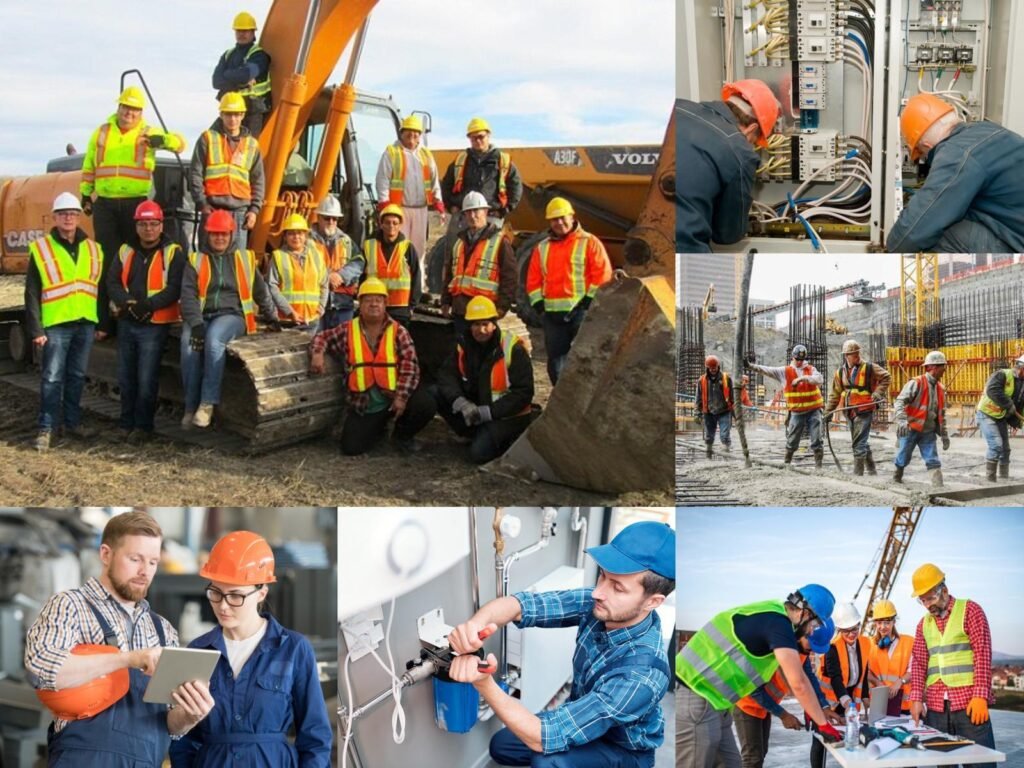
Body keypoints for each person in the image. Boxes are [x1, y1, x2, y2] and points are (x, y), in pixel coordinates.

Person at [448, 521, 675, 767]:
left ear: (653, 602)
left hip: (623, 750)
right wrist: (475, 625)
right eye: (602, 576)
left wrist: (483, 683)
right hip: (585, 716)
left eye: (617, 587)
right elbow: (521, 605)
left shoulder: (643, 675)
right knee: (502, 746)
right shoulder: (601, 603)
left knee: (548, 760)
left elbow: (542, 739)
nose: (599, 592)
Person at [24, 512, 214, 766]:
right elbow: (43, 671)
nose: (144, 571)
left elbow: (169, 724)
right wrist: (128, 658)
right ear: (106, 554)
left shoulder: (163, 630)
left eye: (153, 562)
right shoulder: (71, 605)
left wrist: (190, 715)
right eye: (135, 559)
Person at [169, 531, 331, 767]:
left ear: (261, 593)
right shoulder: (198, 650)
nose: (223, 605)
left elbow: (315, 737)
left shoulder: (294, 650)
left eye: (235, 595)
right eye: (216, 592)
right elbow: (183, 740)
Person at [676, 584, 843, 767]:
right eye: (816, 624)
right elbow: (799, 683)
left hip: (718, 703)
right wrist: (823, 724)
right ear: (806, 612)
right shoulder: (778, 624)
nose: (812, 631)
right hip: (696, 694)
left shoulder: (775, 616)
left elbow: (805, 677)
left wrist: (820, 709)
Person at [80, 87, 186, 335]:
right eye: (126, 108)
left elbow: (180, 143)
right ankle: (104, 322)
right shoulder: (101, 133)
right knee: (107, 262)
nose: (129, 113)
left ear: (140, 113)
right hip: (105, 203)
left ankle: (131, 314)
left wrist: (164, 141)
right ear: (118, 108)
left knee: (135, 261)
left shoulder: (148, 133)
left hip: (135, 204)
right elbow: (89, 165)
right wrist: (86, 193)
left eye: (135, 109)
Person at [308, 278, 436, 455]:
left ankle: (402, 435)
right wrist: (317, 354)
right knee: (351, 448)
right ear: (359, 303)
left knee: (425, 404)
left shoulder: (398, 331)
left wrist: (401, 398)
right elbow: (321, 337)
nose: (373, 304)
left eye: (378, 299)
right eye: (368, 300)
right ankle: (380, 428)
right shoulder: (347, 329)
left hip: (394, 396)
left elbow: (410, 368)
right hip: (366, 402)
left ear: (385, 303)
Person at [887, 93, 1024, 252]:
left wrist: (890, 252)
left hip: (1017, 248)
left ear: (926, 145)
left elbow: (912, 232)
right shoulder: (989, 129)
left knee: (937, 234)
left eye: (924, 156)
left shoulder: (956, 154)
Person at [179, 209, 279, 429]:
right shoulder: (195, 260)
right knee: (188, 347)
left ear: (232, 234)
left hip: (231, 315)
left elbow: (260, 291)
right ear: (207, 234)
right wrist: (195, 324)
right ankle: (189, 406)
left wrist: (272, 316)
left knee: (214, 341)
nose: (220, 238)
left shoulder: (244, 259)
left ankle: (207, 403)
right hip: (201, 317)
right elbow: (188, 295)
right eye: (215, 234)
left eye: (224, 233)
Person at [25, 193, 103, 452]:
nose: (68, 218)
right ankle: (46, 427)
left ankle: (72, 423)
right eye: (63, 214)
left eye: (72, 213)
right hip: (56, 324)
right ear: (55, 217)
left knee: (77, 377)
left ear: (79, 217)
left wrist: (102, 323)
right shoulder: (42, 248)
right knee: (51, 377)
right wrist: (36, 329)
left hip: (84, 323)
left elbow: (98, 288)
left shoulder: (93, 249)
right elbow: (32, 292)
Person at [105, 200, 184, 442]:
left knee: (146, 379)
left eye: (153, 224)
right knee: (126, 377)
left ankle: (143, 427)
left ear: (161, 225)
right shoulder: (125, 251)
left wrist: (147, 306)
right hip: (128, 322)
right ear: (136, 226)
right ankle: (126, 424)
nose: (148, 229)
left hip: (155, 324)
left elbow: (174, 287)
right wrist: (129, 305)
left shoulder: (173, 252)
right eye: (143, 224)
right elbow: (113, 282)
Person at [907, 563, 996, 764]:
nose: (928, 605)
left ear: (944, 590)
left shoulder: (970, 610)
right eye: (923, 600)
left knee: (981, 763)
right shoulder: (923, 625)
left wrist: (981, 695)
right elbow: (919, 664)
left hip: (969, 706)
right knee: (944, 764)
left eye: (931, 598)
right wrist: (916, 699)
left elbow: (982, 653)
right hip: (937, 708)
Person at [676, 81, 780, 252]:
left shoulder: (679, 106)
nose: (752, 146)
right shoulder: (741, 152)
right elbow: (727, 235)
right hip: (683, 247)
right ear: (752, 128)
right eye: (755, 141)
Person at [435, 296, 536, 464]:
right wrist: (462, 403)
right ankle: (473, 433)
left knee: (478, 455)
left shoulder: (512, 349)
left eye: (485, 324)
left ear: (494, 323)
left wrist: (488, 412)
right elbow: (446, 376)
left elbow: (524, 392)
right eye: (475, 324)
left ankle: (501, 439)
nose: (480, 330)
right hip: (476, 410)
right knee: (435, 392)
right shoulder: (463, 345)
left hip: (507, 416)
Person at [525, 197, 613, 385]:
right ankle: (560, 401)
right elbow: (533, 280)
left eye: (562, 217)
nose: (559, 223)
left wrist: (587, 303)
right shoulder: (542, 248)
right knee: (556, 361)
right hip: (552, 317)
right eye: (554, 219)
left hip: (580, 313)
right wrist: (539, 306)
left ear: (572, 217)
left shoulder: (589, 242)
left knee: (587, 358)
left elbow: (602, 275)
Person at [732, 618, 836, 768]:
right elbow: (754, 690)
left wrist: (824, 706)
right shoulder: (777, 647)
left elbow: (809, 677)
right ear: (805, 632)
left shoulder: (801, 650)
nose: (812, 650)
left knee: (761, 753)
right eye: (811, 644)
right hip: (747, 705)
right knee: (752, 757)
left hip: (764, 707)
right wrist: (783, 715)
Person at [374, 114, 445, 282]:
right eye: (408, 134)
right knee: (400, 247)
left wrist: (438, 202)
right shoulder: (391, 153)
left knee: (419, 249)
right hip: (399, 209)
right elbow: (382, 180)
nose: (412, 138)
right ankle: (398, 284)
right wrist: (385, 207)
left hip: (420, 209)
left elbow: (434, 180)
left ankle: (417, 287)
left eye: (416, 134)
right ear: (402, 134)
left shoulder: (426, 155)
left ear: (420, 135)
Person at [189, 92, 265, 249]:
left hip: (240, 213)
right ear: (221, 114)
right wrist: (202, 203)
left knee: (236, 261)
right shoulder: (208, 138)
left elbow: (258, 180)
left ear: (243, 115)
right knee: (208, 259)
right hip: (212, 208)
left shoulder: (251, 145)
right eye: (228, 114)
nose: (233, 119)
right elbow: (195, 173)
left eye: (237, 115)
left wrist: (254, 210)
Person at [440, 190, 516, 340]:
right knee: (462, 355)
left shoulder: (500, 242)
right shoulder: (459, 242)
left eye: (476, 211)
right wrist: (445, 301)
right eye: (468, 212)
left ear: (486, 211)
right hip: (460, 310)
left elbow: (510, 277)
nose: (472, 216)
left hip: (484, 313)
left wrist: (502, 307)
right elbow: (450, 274)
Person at [811, 602, 869, 768]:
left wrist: (865, 696)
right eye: (846, 630)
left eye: (855, 628)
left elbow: (864, 672)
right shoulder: (832, 647)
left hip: (848, 700)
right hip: (827, 703)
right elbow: (836, 678)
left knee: (850, 742)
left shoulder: (865, 643)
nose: (851, 634)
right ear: (839, 630)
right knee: (820, 742)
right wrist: (846, 703)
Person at [747, 344, 825, 467]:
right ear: (792, 358)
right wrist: (750, 366)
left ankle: (819, 466)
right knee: (792, 440)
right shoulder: (784, 372)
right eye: (797, 359)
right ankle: (787, 463)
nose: (799, 362)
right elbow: (766, 370)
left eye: (801, 360)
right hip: (797, 412)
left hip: (813, 410)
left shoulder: (811, 370)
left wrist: (802, 378)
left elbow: (819, 379)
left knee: (817, 440)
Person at [823, 339, 891, 476]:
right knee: (861, 441)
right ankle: (872, 470)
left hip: (864, 409)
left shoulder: (869, 367)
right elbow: (835, 394)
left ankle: (858, 474)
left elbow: (886, 377)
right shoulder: (840, 373)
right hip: (849, 412)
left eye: (857, 353)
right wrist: (828, 412)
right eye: (853, 354)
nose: (857, 356)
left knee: (858, 443)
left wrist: (878, 392)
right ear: (846, 356)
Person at [441, 117, 523, 229]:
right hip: (463, 217)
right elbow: (446, 185)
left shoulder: (503, 161)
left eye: (481, 137)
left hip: (492, 217)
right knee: (455, 246)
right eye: (473, 138)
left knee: (489, 246)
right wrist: (451, 207)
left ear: (488, 135)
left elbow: (516, 188)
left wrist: (504, 210)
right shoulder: (461, 161)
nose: (477, 141)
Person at [892, 350, 950, 486]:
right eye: (943, 367)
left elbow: (941, 415)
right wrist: (901, 421)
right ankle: (896, 478)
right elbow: (899, 401)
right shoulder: (916, 383)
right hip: (911, 429)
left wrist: (944, 435)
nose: (945, 370)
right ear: (934, 367)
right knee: (903, 457)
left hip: (928, 432)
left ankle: (938, 486)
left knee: (933, 459)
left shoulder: (941, 389)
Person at [212, 11, 272, 137]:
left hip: (252, 112)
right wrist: (241, 81)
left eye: (245, 31)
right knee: (210, 140)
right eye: (238, 30)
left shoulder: (259, 55)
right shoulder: (228, 54)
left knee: (247, 149)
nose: (241, 34)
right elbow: (216, 81)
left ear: (253, 32)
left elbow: (246, 74)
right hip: (230, 110)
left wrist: (226, 74)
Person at [309, 194, 363, 330]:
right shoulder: (307, 241)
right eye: (327, 218)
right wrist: (328, 276)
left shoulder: (346, 241)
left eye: (335, 219)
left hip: (342, 305)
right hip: (315, 305)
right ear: (318, 217)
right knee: (316, 347)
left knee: (342, 348)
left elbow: (359, 262)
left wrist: (341, 276)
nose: (331, 222)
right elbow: (304, 266)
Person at [362, 204, 421, 327]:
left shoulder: (407, 247)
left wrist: (412, 306)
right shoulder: (369, 246)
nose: (391, 226)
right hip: (375, 306)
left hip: (400, 308)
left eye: (395, 223)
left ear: (400, 225)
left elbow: (416, 276)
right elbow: (361, 275)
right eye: (387, 222)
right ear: (381, 224)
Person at [267, 213, 328, 330]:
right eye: (291, 233)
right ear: (285, 236)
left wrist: (321, 306)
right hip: (287, 321)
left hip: (312, 320)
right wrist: (290, 312)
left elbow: (324, 283)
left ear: (306, 236)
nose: (296, 237)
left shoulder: (316, 256)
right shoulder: (278, 256)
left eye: (300, 233)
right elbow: (271, 286)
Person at [975, 356, 1024, 482]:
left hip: (1000, 417)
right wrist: (1009, 404)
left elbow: (1020, 405)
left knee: (1005, 449)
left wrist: (1018, 422)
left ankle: (1004, 480)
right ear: (1022, 368)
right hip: (986, 414)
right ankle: (990, 480)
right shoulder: (1002, 375)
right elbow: (993, 390)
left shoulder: (1022, 383)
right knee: (996, 445)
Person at [865, 600, 912, 718]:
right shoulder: (869, 644)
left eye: (887, 623)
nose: (882, 627)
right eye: (879, 623)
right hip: (878, 705)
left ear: (894, 622)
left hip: (905, 707)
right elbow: (864, 671)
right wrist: (877, 682)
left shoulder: (909, 642)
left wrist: (900, 682)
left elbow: (914, 669)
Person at [697, 354, 734, 458]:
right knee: (709, 437)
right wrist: (697, 413)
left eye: (715, 367)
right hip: (708, 412)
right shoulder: (702, 380)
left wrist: (734, 411)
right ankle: (708, 457)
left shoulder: (726, 378)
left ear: (718, 366)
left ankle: (727, 457)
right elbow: (698, 398)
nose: (713, 369)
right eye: (711, 368)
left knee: (724, 436)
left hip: (724, 411)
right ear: (707, 367)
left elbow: (732, 396)